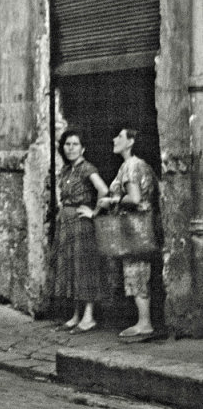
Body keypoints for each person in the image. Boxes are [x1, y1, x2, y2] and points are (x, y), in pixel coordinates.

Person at [98, 127, 160, 340]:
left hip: (134, 227)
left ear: (131, 141)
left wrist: (112, 201)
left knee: (136, 270)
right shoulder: (142, 165)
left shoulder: (130, 166)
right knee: (140, 270)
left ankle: (145, 322)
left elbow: (134, 198)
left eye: (120, 136)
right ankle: (143, 320)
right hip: (143, 224)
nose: (115, 139)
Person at [52, 129, 109, 333]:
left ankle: (89, 316)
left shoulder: (87, 169)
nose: (71, 148)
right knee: (71, 267)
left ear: (83, 148)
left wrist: (94, 212)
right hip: (66, 224)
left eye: (75, 144)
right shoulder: (67, 170)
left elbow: (103, 190)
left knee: (84, 268)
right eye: (68, 144)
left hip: (81, 224)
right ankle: (76, 315)